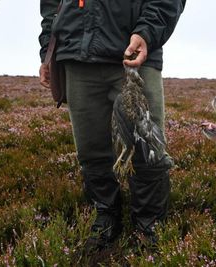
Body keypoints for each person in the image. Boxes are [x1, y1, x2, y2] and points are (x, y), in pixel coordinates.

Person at [39, 0, 186, 249]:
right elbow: (51, 6)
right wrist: (48, 50)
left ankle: (148, 227)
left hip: (133, 54)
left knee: (147, 149)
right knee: (91, 151)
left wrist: (146, 32)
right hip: (76, 56)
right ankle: (105, 217)